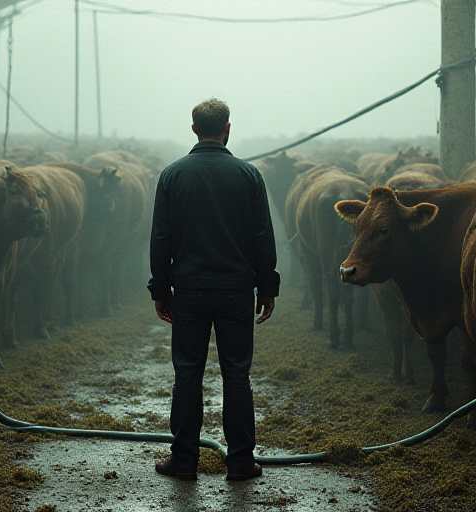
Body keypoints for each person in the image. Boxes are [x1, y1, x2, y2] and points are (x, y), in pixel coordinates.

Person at [148, 97, 280, 482]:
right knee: (237, 373)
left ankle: (185, 460)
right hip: (236, 291)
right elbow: (262, 237)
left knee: (187, 372)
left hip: (188, 289)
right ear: (227, 128)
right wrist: (266, 287)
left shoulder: (173, 175)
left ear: (193, 129)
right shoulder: (249, 175)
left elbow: (161, 238)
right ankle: (240, 461)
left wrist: (160, 289)